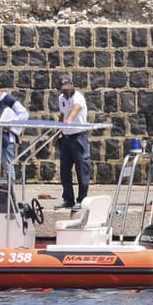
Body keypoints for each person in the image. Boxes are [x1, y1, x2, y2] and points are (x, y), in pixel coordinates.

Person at [0, 75, 28, 206]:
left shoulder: (8, 99)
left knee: (8, 167)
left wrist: (11, 124)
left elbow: (24, 114)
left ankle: (10, 195)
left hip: (6, 139)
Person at [55, 73, 91, 210]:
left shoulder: (78, 97)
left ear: (72, 85)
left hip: (78, 137)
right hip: (66, 138)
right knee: (64, 170)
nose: (66, 90)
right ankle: (68, 199)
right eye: (63, 88)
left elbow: (74, 111)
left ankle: (82, 199)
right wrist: (57, 134)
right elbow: (62, 115)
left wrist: (68, 121)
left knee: (82, 169)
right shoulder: (61, 98)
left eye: (68, 87)